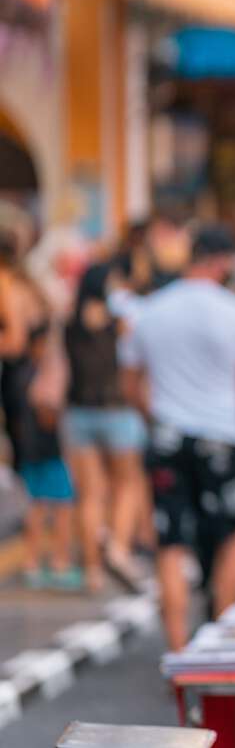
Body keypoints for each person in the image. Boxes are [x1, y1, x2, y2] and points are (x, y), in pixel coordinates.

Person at [120, 225, 235, 649]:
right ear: (221, 260)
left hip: (168, 438)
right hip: (224, 436)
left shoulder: (149, 310)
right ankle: (220, 638)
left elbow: (131, 384)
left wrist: (159, 415)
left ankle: (176, 648)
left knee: (171, 541)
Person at [62, 261, 149, 593]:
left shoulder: (70, 322)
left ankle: (92, 571)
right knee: (127, 484)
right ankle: (119, 547)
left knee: (89, 494)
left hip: (78, 411)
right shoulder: (120, 322)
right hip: (117, 411)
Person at [0, 236, 77, 589]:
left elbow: (14, 340)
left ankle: (44, 558)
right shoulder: (31, 286)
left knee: (39, 472)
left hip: (27, 387)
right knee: (44, 470)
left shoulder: (8, 286)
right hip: (43, 388)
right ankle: (51, 558)